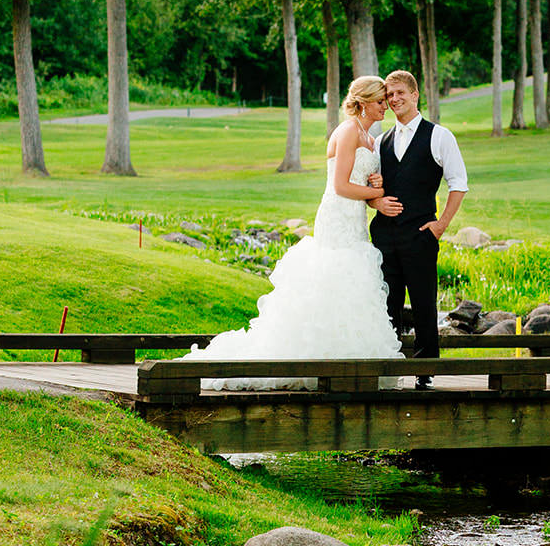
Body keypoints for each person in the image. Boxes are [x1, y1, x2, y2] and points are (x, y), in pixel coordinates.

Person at [197, 76, 404, 392]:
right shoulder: (348, 131)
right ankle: (312, 360)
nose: (385, 107)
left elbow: (360, 179)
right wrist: (375, 193)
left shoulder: (370, 137)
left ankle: (348, 361)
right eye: (380, 101)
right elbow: (341, 185)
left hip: (356, 221)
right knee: (334, 277)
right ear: (364, 102)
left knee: (352, 284)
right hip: (337, 218)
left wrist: (375, 184)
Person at [370, 70, 468, 388]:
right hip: (384, 235)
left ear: (415, 95)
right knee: (388, 304)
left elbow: (459, 184)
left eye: (400, 93)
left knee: (424, 302)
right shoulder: (381, 141)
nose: (394, 99)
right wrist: (376, 204)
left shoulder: (439, 136)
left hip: (421, 234)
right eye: (389, 95)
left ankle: (425, 373)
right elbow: (372, 189)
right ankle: (389, 369)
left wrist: (440, 226)